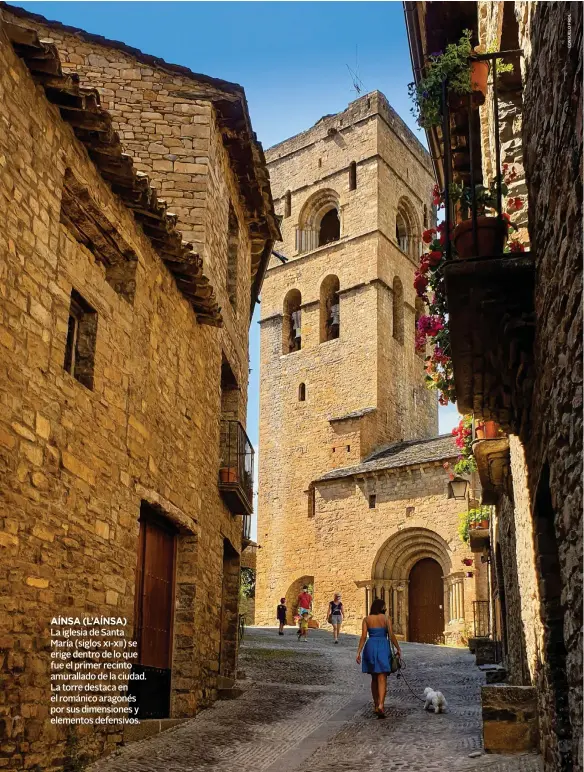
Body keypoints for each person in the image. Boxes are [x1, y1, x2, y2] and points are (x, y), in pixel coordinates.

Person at [356, 598, 402, 719]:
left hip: (370, 646)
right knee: (382, 678)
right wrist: (398, 648)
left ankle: (376, 705)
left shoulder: (367, 619)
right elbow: (391, 635)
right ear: (382, 607)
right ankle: (381, 704)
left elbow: (363, 637)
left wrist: (358, 652)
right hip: (383, 647)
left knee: (374, 678)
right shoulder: (386, 619)